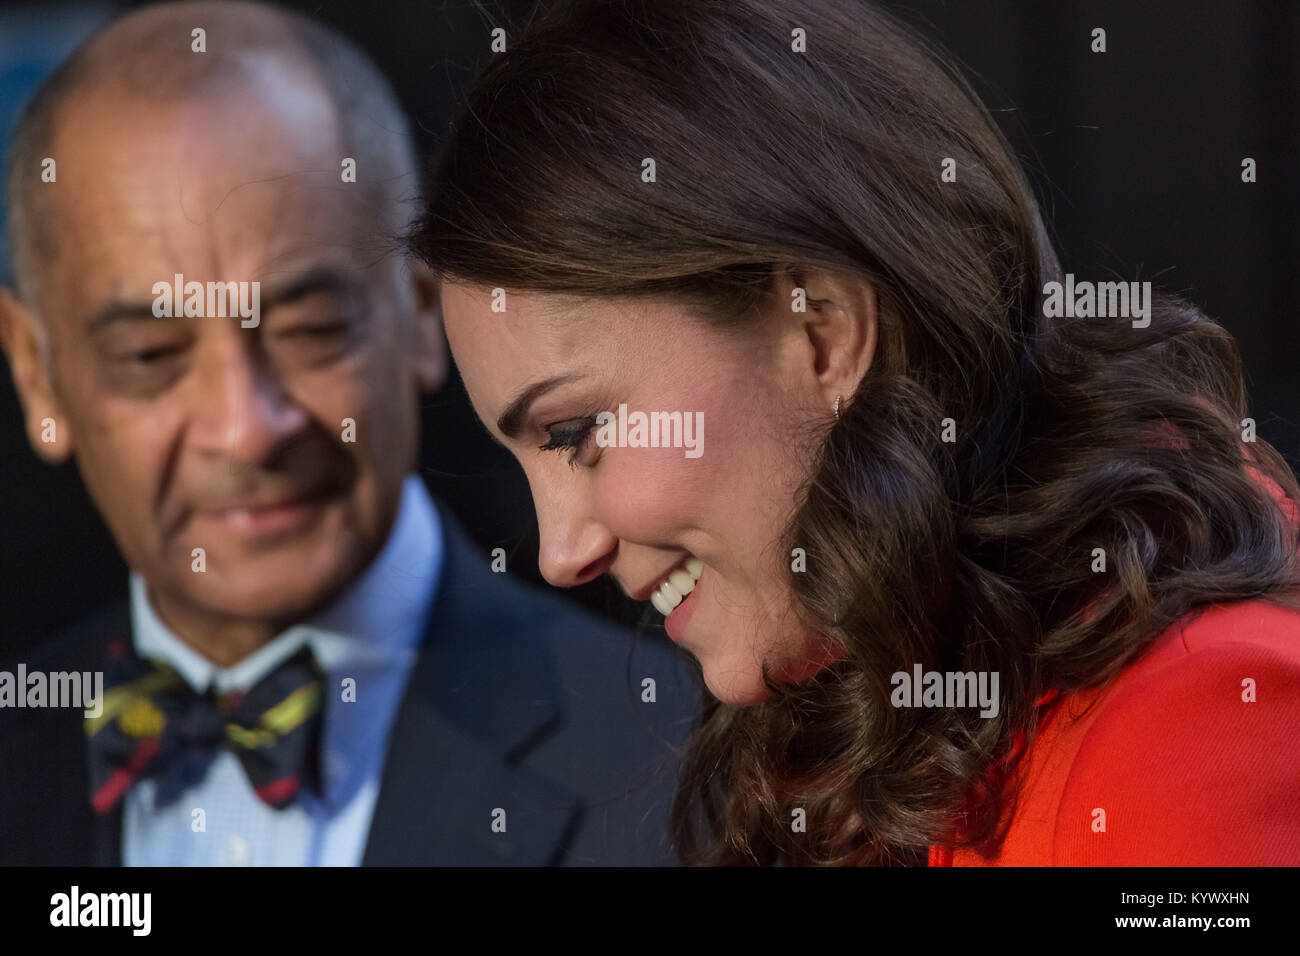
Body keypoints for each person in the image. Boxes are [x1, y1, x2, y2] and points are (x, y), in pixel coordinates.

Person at [410, 0, 1300, 865]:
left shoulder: (1182, 733)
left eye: (577, 432)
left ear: (822, 330)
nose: (562, 552)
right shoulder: (868, 712)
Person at [0, 0, 696, 866]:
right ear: (37, 372)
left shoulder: (685, 768)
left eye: (311, 331)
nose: (246, 430)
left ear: (419, 313)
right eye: (152, 355)